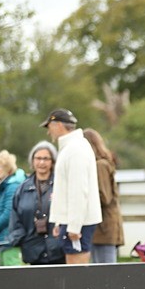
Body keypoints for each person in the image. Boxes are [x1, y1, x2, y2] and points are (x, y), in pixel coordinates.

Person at [42, 108, 102, 265]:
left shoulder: (76, 150)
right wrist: (59, 221)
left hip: (78, 222)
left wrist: (74, 226)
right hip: (71, 220)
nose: (49, 132)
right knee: (73, 271)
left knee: (77, 273)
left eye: (49, 127)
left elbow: (78, 191)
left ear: (58, 125)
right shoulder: (71, 148)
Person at [8, 142, 65, 266]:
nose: (42, 162)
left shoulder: (61, 185)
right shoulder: (23, 188)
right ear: (32, 161)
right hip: (32, 251)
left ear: (53, 161)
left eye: (46, 158)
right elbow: (15, 217)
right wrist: (22, 238)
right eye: (38, 158)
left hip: (58, 251)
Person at [82, 128, 125, 264]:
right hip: (102, 229)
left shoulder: (100, 165)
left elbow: (104, 197)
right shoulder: (100, 164)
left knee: (106, 274)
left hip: (104, 228)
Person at [0, 151, 25, 266]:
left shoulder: (12, 186)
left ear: (7, 168)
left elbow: (8, 212)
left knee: (12, 277)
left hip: (10, 238)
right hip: (2, 239)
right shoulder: (3, 186)